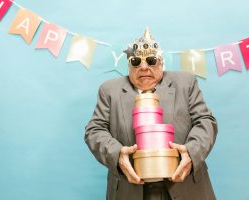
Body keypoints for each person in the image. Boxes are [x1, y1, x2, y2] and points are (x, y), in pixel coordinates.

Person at [85, 28, 218, 200]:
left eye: (151, 60)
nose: (144, 67)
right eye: (136, 62)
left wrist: (191, 153)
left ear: (161, 62)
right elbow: (94, 130)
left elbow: (205, 120)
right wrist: (117, 155)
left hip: (186, 188)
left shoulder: (185, 83)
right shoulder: (109, 90)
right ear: (128, 65)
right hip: (130, 189)